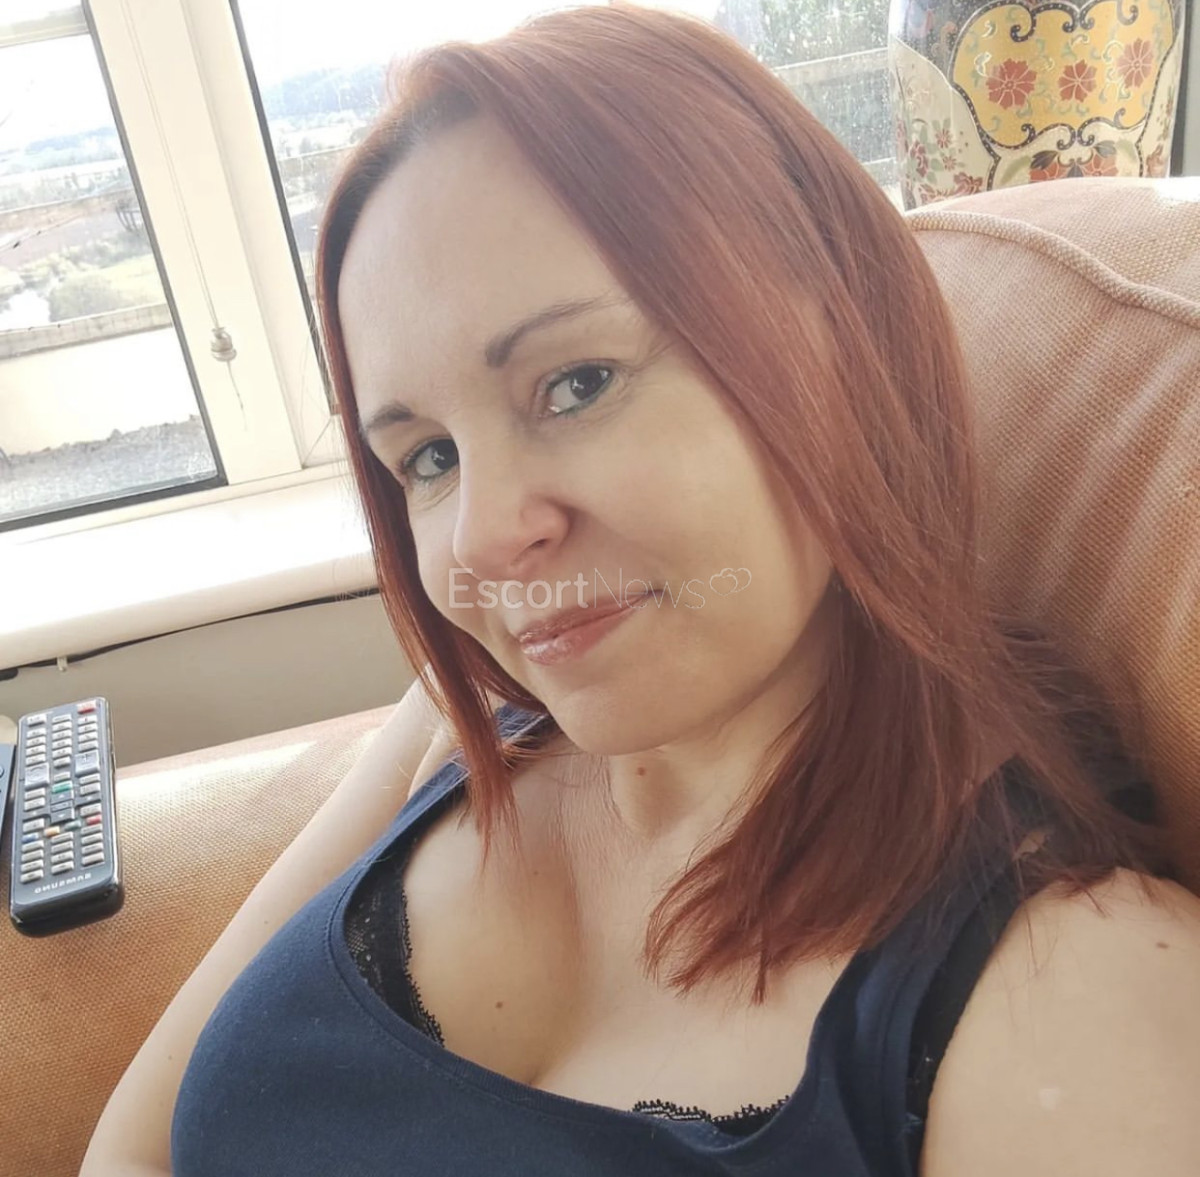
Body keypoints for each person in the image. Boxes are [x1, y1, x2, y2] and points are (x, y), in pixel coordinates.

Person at [81, 5, 1200, 1176]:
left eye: (577, 382)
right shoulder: (474, 719)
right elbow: (131, 1152)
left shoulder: (1070, 1009)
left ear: (844, 348)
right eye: (428, 456)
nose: (484, 540)